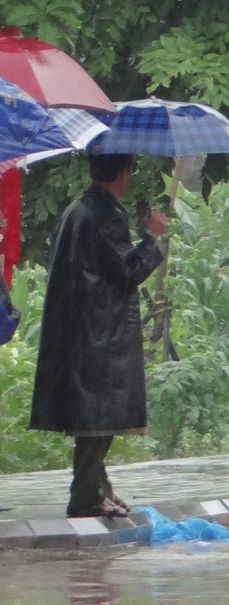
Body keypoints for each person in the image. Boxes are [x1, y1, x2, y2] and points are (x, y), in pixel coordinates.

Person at [29, 153, 168, 519]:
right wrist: (151, 237)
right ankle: (85, 497)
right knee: (98, 417)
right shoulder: (105, 215)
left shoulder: (77, 209)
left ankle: (98, 489)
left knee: (95, 416)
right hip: (100, 329)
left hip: (80, 326)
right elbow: (128, 271)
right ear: (122, 175)